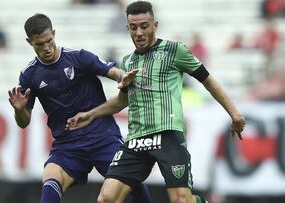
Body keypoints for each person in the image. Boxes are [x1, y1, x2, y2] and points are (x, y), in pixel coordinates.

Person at [66, 1, 246, 203]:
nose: (139, 32)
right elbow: (122, 101)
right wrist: (89, 115)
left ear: (155, 25)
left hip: (168, 134)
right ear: (127, 28)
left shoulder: (175, 51)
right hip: (137, 139)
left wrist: (234, 113)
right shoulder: (128, 61)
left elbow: (208, 80)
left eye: (144, 26)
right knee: (106, 199)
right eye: (133, 27)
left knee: (181, 200)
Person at [7, 13, 152, 203]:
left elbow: (113, 72)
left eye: (49, 41)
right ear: (29, 42)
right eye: (39, 44)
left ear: (54, 33)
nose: (47, 48)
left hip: (102, 137)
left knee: (130, 183)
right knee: (50, 179)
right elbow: (24, 122)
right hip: (68, 145)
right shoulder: (29, 75)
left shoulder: (78, 57)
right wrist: (19, 110)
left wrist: (123, 76)